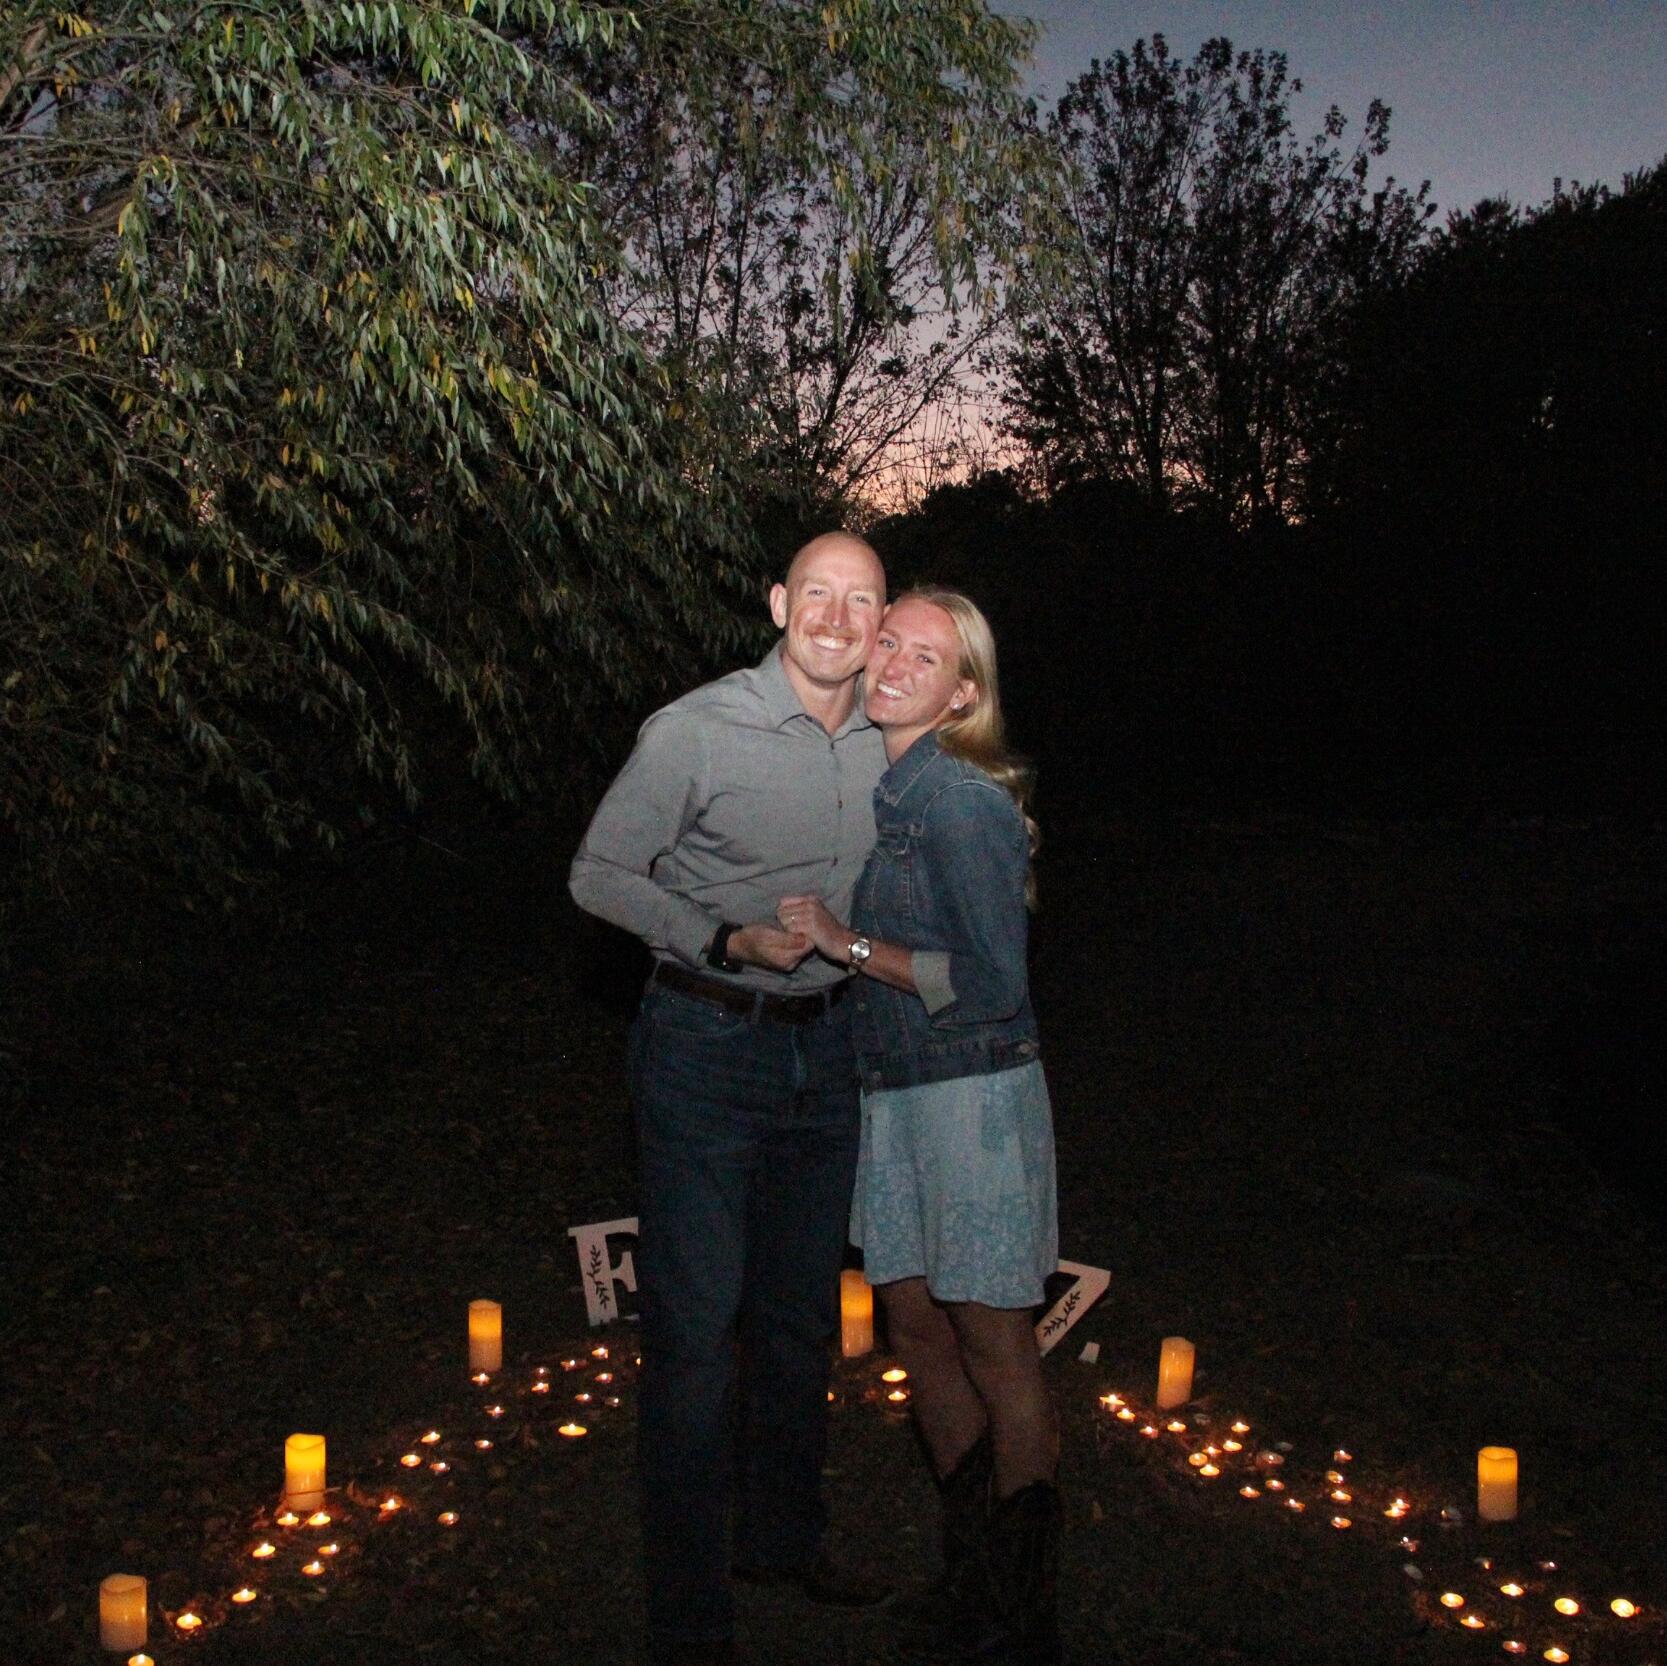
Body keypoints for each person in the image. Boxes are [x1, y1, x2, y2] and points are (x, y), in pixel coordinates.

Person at [568, 532, 892, 1666]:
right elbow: (598, 874)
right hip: (705, 1048)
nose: (837, 618)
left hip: (832, 1051)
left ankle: (781, 1541)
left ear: (882, 621)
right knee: (697, 1338)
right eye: (818, 594)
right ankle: (689, 1612)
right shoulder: (694, 730)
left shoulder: (895, 740)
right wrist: (718, 936)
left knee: (799, 1323)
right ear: (777, 604)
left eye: (861, 600)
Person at [777, 587, 1062, 1666]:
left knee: (993, 1342)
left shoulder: (960, 802)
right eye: (886, 641)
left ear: (961, 693)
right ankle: (970, 1577)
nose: (891, 661)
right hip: (890, 1095)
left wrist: (846, 945)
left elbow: (991, 984)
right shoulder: (882, 787)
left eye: (924, 655)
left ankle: (1021, 1619)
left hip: (974, 1099)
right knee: (916, 1328)